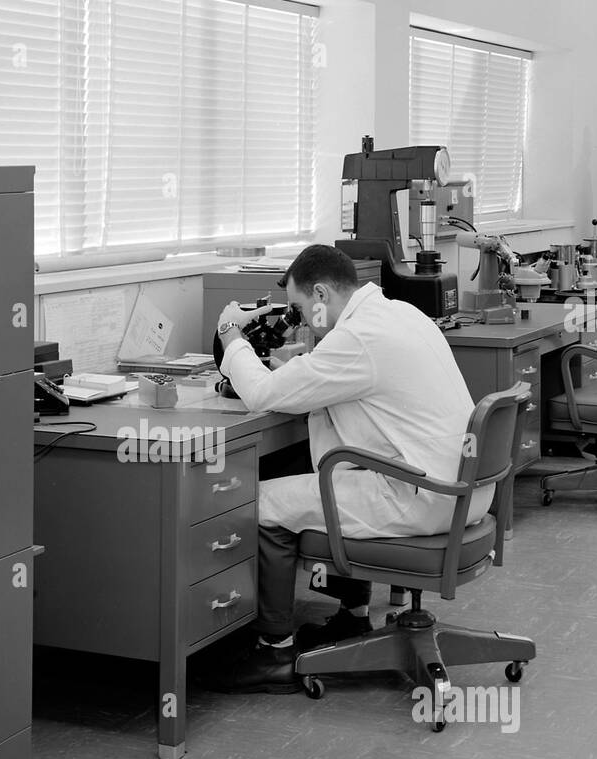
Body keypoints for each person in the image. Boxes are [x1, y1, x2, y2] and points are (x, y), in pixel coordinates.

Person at [202, 244, 492, 694]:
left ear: (321, 292)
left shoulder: (355, 339)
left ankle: (274, 652)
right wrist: (301, 369)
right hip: (463, 490)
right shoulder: (400, 314)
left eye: (299, 308)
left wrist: (229, 333)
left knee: (263, 505)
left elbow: (261, 396)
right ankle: (352, 618)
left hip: (425, 497)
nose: (299, 318)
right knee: (331, 480)